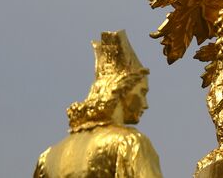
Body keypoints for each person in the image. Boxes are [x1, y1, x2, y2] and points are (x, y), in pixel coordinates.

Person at [34, 31, 163, 178]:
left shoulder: (48, 157)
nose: (145, 104)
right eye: (142, 92)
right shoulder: (128, 142)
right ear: (123, 90)